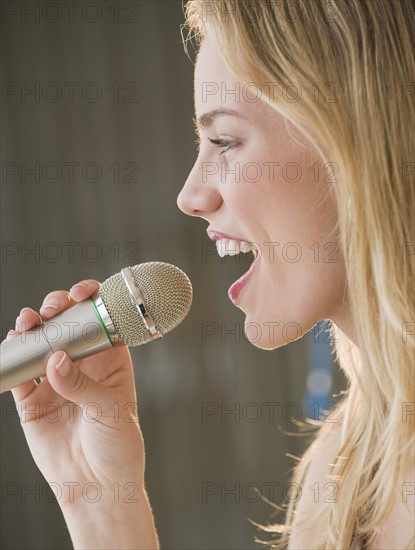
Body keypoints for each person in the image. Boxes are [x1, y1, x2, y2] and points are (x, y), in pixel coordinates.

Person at [6, 0, 414, 548]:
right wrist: (102, 503)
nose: (190, 196)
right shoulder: (342, 471)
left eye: (224, 140)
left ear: (360, 140)